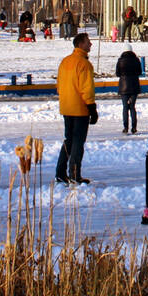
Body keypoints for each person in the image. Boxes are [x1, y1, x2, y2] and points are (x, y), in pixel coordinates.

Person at [55, 33, 98, 185]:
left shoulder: (65, 61)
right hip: (79, 109)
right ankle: (74, 174)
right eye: (88, 42)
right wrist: (92, 107)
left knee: (68, 141)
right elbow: (86, 89)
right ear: (80, 44)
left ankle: (60, 173)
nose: (90, 44)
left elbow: (59, 85)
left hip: (66, 107)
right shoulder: (84, 64)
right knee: (78, 143)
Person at [116, 44, 142, 135]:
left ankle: (125, 127)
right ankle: (134, 128)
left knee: (125, 107)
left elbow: (117, 73)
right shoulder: (136, 60)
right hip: (134, 86)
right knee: (132, 107)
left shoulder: (120, 60)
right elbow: (139, 72)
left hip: (123, 86)